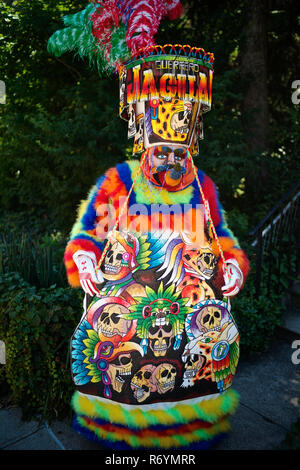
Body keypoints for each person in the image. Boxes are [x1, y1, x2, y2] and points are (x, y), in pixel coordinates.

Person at [48, 1, 250, 450]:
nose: (172, 160)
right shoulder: (120, 180)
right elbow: (88, 232)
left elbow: (223, 236)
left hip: (189, 305)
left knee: (190, 371)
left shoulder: (203, 185)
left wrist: (232, 264)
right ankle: (127, 435)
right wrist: (83, 257)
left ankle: (184, 436)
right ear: (145, 145)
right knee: (126, 370)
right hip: (128, 307)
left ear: (190, 146)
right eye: (163, 151)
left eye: (179, 153)